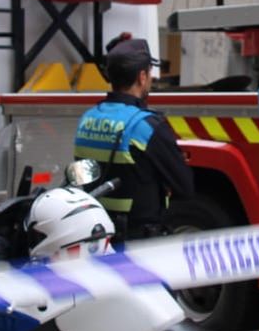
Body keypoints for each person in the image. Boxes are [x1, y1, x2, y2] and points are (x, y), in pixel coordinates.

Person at [72, 36, 192, 244]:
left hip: (95, 235)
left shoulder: (87, 119)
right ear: (142, 76)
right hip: (137, 241)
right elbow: (185, 187)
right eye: (150, 73)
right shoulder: (145, 126)